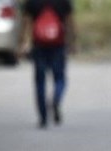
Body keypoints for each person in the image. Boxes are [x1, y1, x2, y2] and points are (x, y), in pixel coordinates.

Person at [18, 0, 76, 129]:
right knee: (60, 78)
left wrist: (21, 43)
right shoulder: (63, 2)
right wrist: (72, 42)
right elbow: (69, 22)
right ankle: (56, 98)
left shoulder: (32, 2)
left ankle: (43, 117)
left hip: (39, 45)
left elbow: (26, 23)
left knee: (40, 82)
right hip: (58, 45)